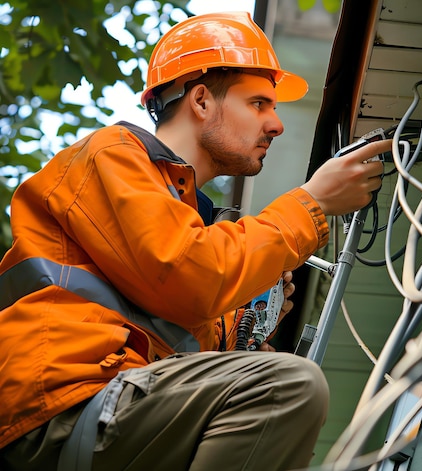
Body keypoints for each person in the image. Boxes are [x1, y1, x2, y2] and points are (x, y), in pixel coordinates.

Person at [0, 11, 389, 471]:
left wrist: (244, 330)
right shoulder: (114, 155)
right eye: (259, 104)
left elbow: (180, 312)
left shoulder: (188, 220)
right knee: (286, 387)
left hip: (112, 409)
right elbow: (191, 273)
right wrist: (310, 203)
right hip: (61, 409)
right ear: (201, 100)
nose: (276, 125)